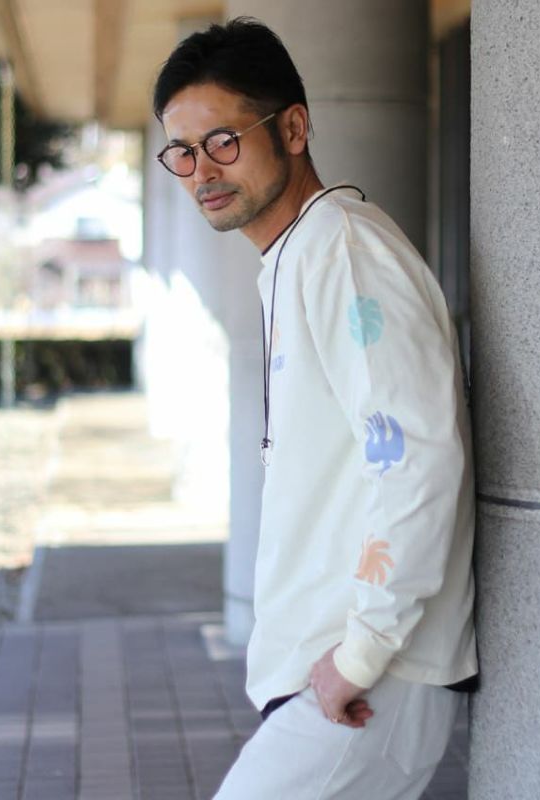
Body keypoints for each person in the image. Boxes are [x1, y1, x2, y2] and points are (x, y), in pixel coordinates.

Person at [153, 17, 478, 800]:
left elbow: (416, 454)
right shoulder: (299, 255)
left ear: (293, 128)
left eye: (222, 141)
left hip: (373, 672)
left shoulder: (343, 251)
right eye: (182, 152)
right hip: (337, 669)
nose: (201, 171)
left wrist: (360, 654)